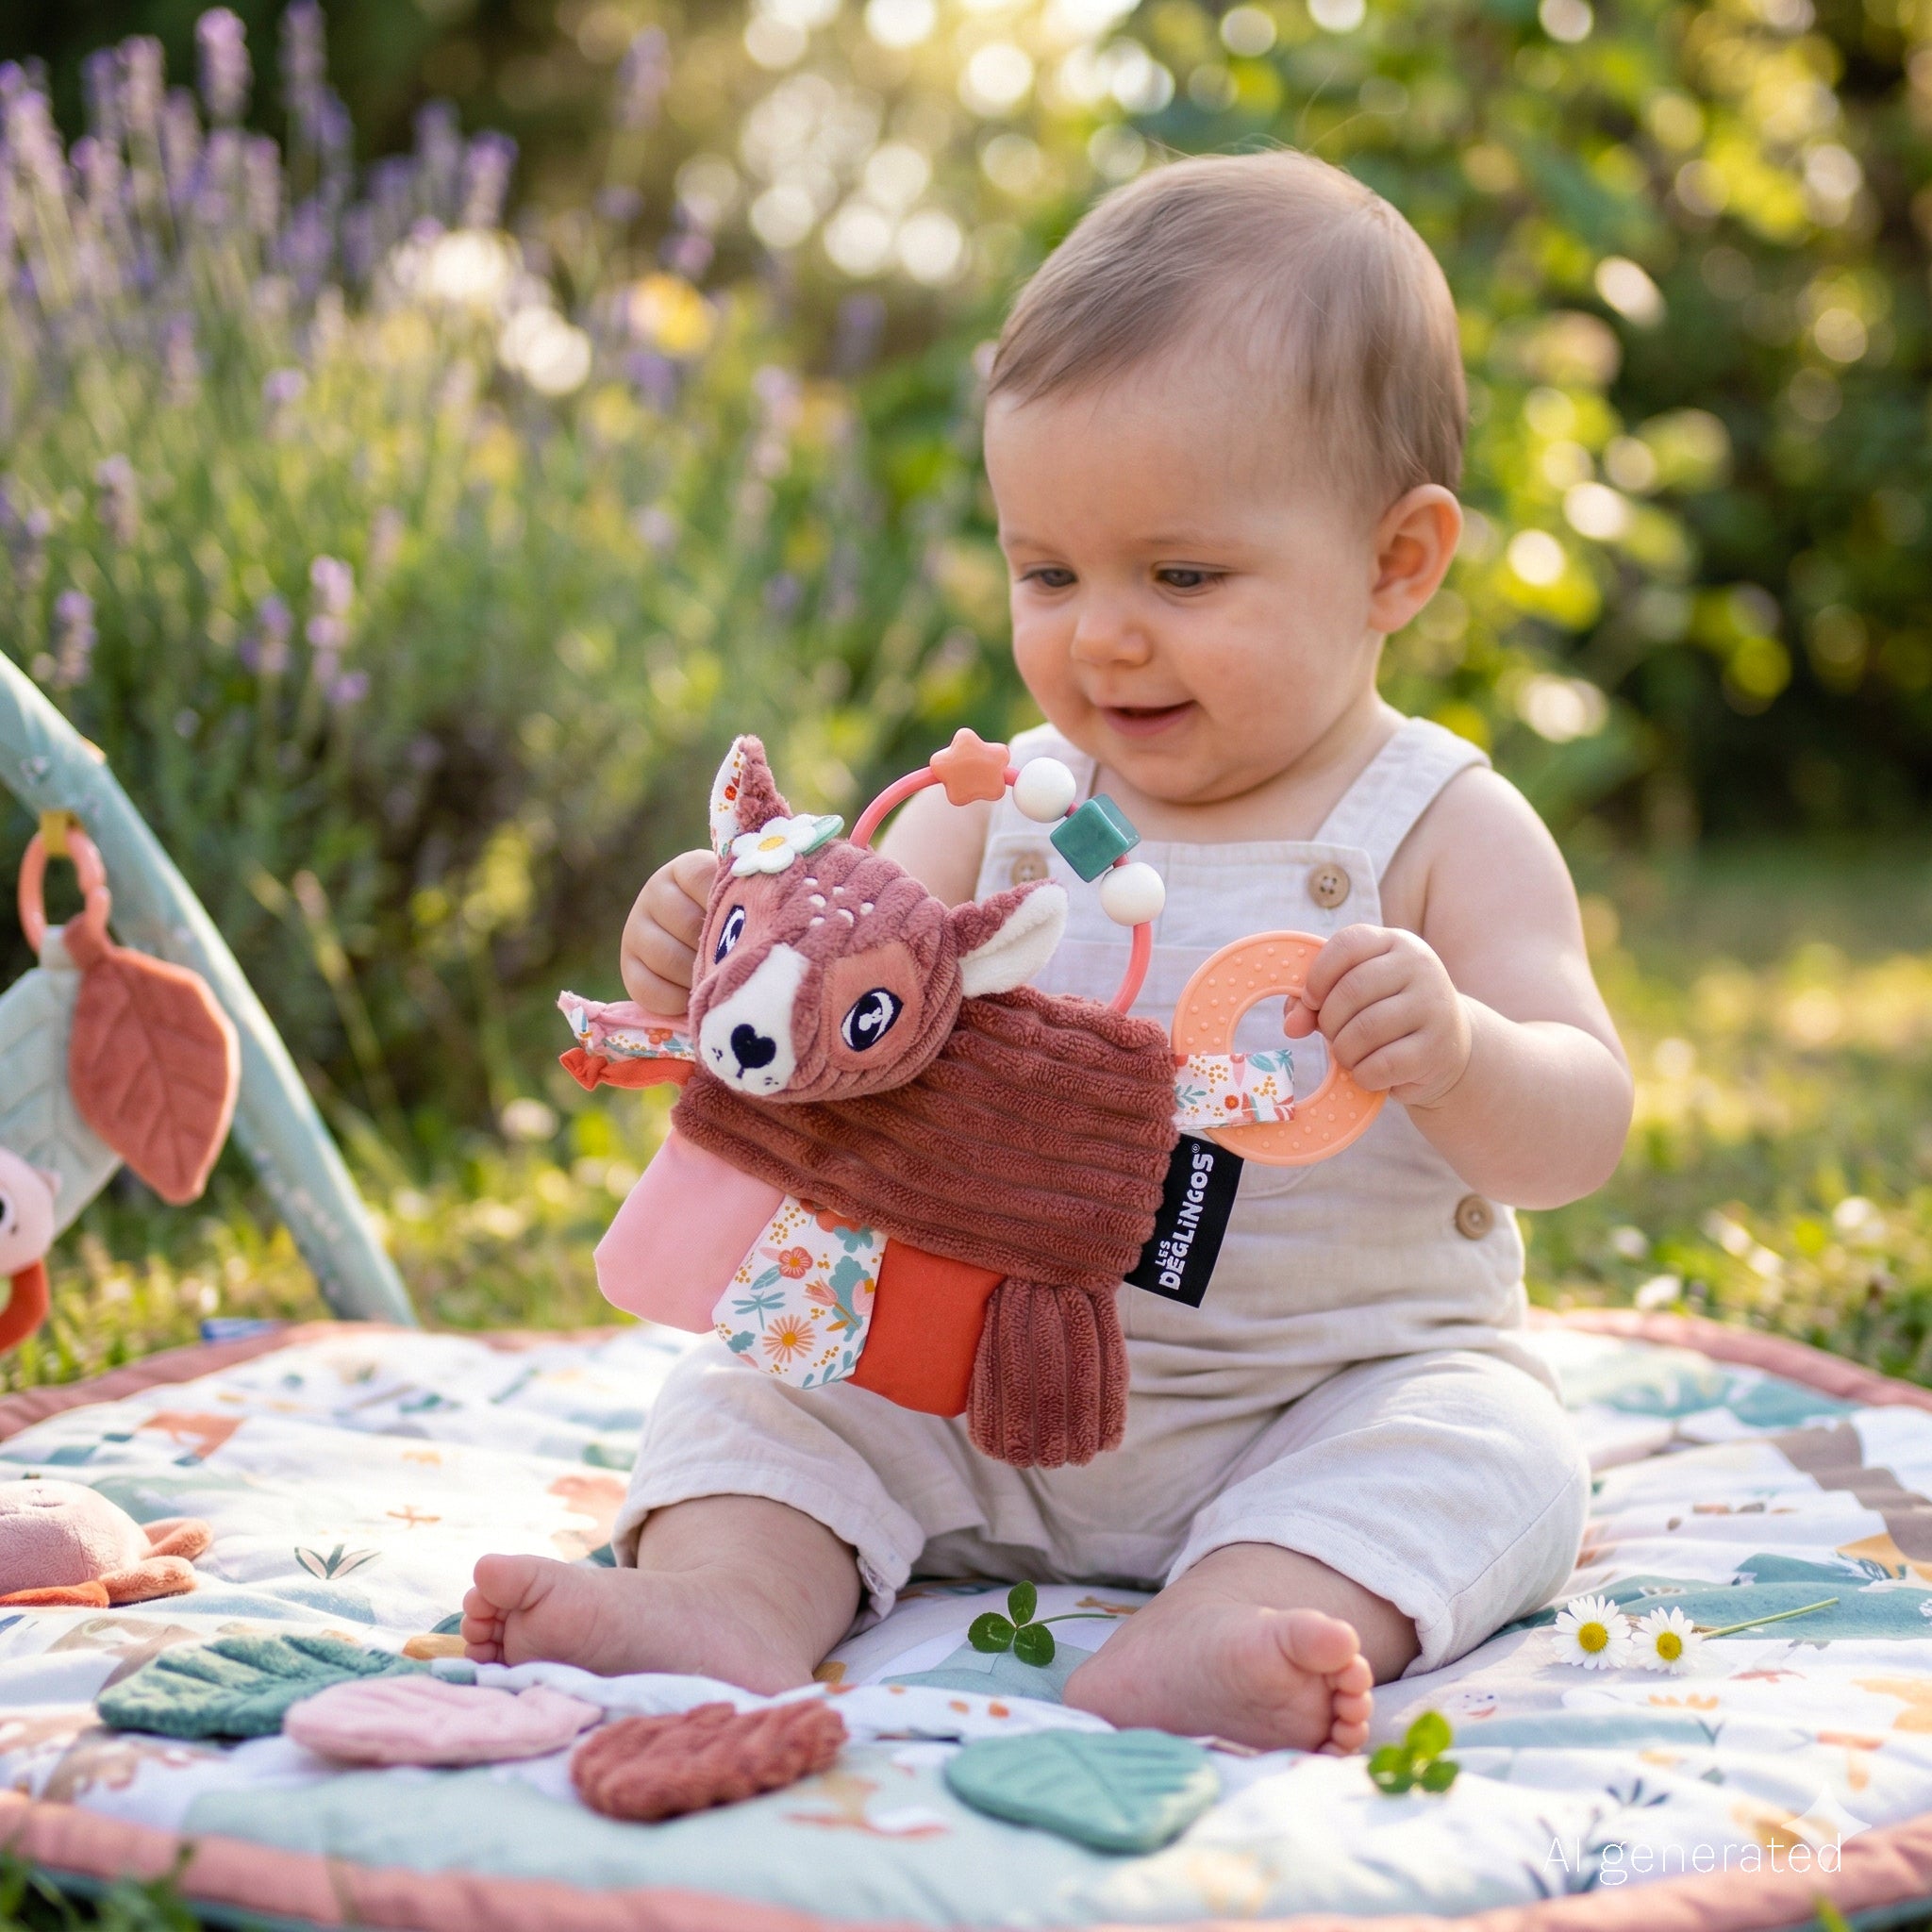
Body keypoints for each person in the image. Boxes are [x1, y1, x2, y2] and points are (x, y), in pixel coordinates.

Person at [462, 150, 1633, 1754]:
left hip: (1303, 1410)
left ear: (1395, 563)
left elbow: (1587, 1119)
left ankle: (1227, 1625)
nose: (1103, 634)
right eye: (1049, 572)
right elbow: (826, 1001)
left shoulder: (1440, 826)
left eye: (1183, 574)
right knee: (764, 1389)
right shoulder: (1001, 813)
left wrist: (1471, 1053)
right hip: (960, 1380)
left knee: (1491, 1447)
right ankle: (729, 1604)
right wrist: (703, 958)